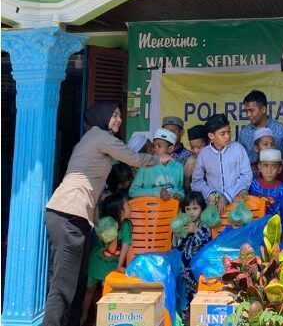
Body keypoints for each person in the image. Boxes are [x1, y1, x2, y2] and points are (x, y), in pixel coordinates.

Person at [44, 101, 170, 326]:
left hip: (77, 216)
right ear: (101, 117)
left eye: (120, 116)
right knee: (63, 285)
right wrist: (158, 159)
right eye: (114, 115)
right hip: (68, 214)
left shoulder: (92, 140)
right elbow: (133, 157)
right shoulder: (99, 136)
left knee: (78, 282)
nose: (119, 120)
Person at [80, 194, 133, 325]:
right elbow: (112, 248)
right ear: (119, 211)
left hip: (112, 264)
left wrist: (120, 265)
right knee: (89, 290)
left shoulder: (127, 225)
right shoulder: (106, 225)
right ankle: (84, 315)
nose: (130, 206)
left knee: (106, 292)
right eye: (127, 204)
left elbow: (126, 245)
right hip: (97, 262)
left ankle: (100, 319)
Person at [191, 113, 253, 215]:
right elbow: (196, 182)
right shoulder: (204, 154)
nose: (228, 136)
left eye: (229, 131)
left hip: (237, 204)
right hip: (213, 207)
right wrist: (210, 193)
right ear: (211, 136)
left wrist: (227, 196)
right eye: (222, 133)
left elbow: (247, 176)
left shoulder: (238, 149)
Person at [176, 191, 212, 318]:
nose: (191, 212)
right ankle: (187, 313)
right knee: (185, 290)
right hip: (184, 267)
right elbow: (177, 245)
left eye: (195, 208)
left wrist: (195, 231)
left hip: (198, 267)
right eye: (188, 209)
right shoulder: (183, 224)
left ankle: (200, 313)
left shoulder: (204, 226)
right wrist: (178, 234)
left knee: (197, 290)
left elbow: (207, 243)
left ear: (202, 209)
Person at [238, 90, 283, 168]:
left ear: (263, 109)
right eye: (246, 111)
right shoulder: (244, 132)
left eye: (251, 111)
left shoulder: (282, 129)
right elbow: (240, 160)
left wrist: (279, 172)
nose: (248, 115)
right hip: (251, 179)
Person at [129, 128, 185, 200]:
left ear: (170, 149)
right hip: (151, 210)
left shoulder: (178, 167)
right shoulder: (146, 166)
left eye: (159, 146)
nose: (155, 149)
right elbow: (133, 191)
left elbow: (180, 189)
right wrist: (157, 192)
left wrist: (179, 195)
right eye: (154, 146)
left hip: (171, 209)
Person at [249, 149, 283, 240]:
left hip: (276, 231)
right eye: (265, 166)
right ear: (259, 167)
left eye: (274, 167)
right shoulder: (252, 185)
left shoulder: (282, 190)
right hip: (254, 230)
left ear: (280, 169)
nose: (269, 171)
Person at [184, 125, 209, 194]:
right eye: (192, 147)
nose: (195, 151)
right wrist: (187, 176)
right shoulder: (190, 161)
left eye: (198, 147)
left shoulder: (216, 159)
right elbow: (187, 190)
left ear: (208, 144)